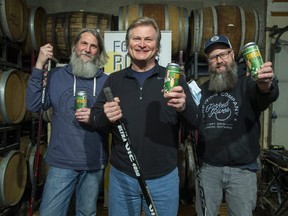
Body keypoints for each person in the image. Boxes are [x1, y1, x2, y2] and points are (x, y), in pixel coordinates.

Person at [89, 16, 201, 216]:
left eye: (148, 39)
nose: (142, 44)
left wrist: (184, 107)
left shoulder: (173, 79)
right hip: (122, 176)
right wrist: (105, 115)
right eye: (136, 39)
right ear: (127, 44)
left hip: (164, 178)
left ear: (157, 46)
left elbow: (194, 122)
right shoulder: (114, 80)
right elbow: (96, 120)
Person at [26, 28, 109, 215]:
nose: (87, 49)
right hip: (61, 161)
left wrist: (95, 118)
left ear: (99, 52)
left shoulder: (107, 82)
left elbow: (114, 122)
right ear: (75, 47)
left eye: (93, 46)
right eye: (84, 43)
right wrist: (39, 64)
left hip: (93, 162)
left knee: (86, 213)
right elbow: (33, 105)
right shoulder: (56, 76)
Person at [195, 35, 279, 216]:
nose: (219, 61)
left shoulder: (248, 82)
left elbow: (265, 95)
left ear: (232, 55)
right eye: (213, 57)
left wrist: (266, 85)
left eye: (223, 54)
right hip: (208, 169)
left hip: (242, 170)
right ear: (209, 62)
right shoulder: (203, 89)